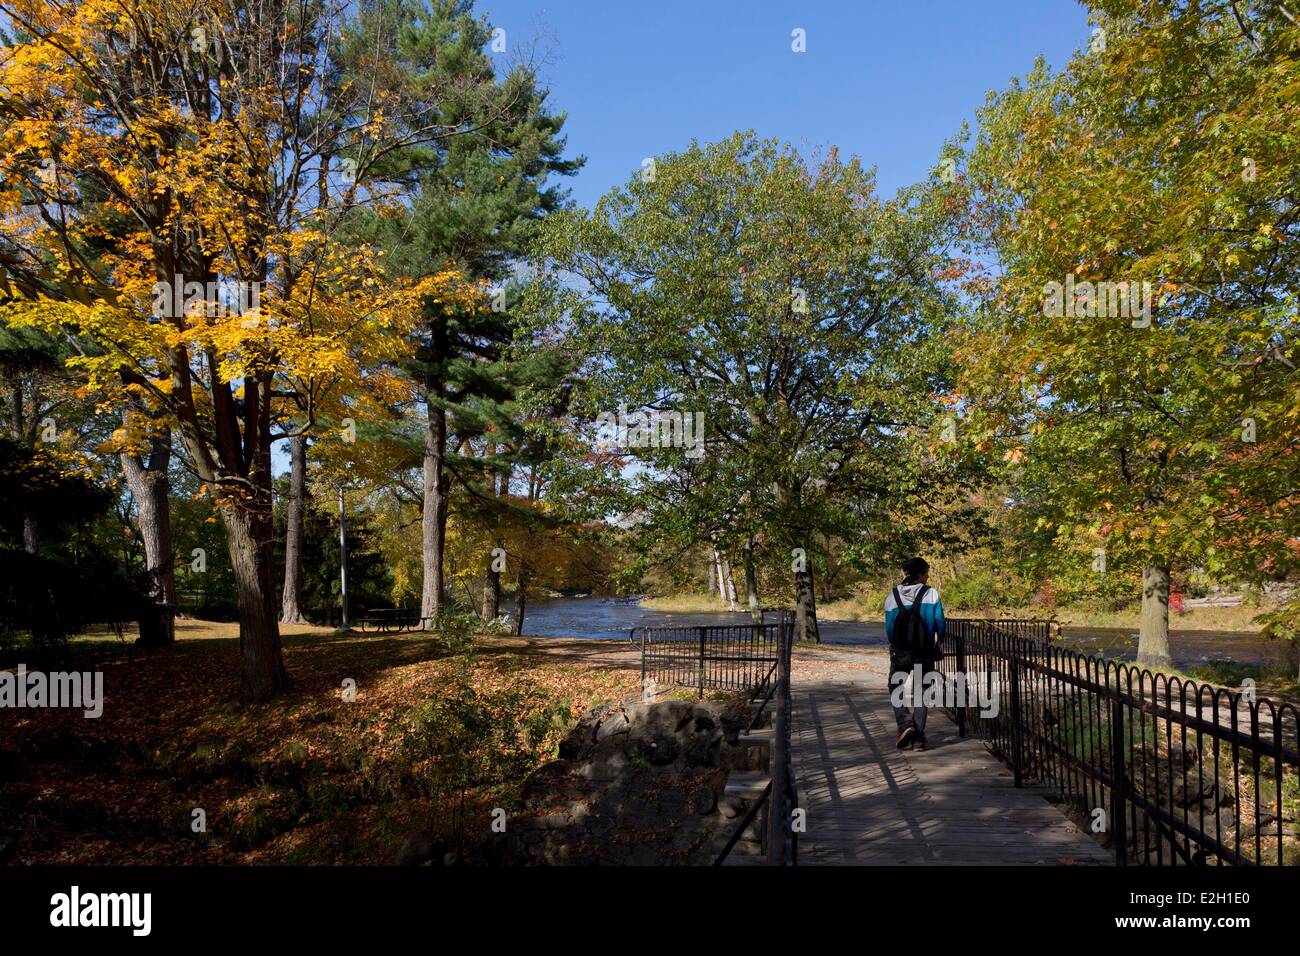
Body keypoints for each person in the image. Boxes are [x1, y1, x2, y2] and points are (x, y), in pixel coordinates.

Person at [884, 557, 945, 751]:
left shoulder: (892, 596)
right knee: (922, 692)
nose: (928, 576)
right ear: (919, 574)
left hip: (901, 652)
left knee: (895, 687)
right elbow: (940, 624)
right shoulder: (931, 594)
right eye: (926, 572)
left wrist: (896, 645)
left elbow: (889, 629)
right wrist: (938, 641)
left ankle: (905, 724)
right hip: (924, 652)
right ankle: (918, 738)